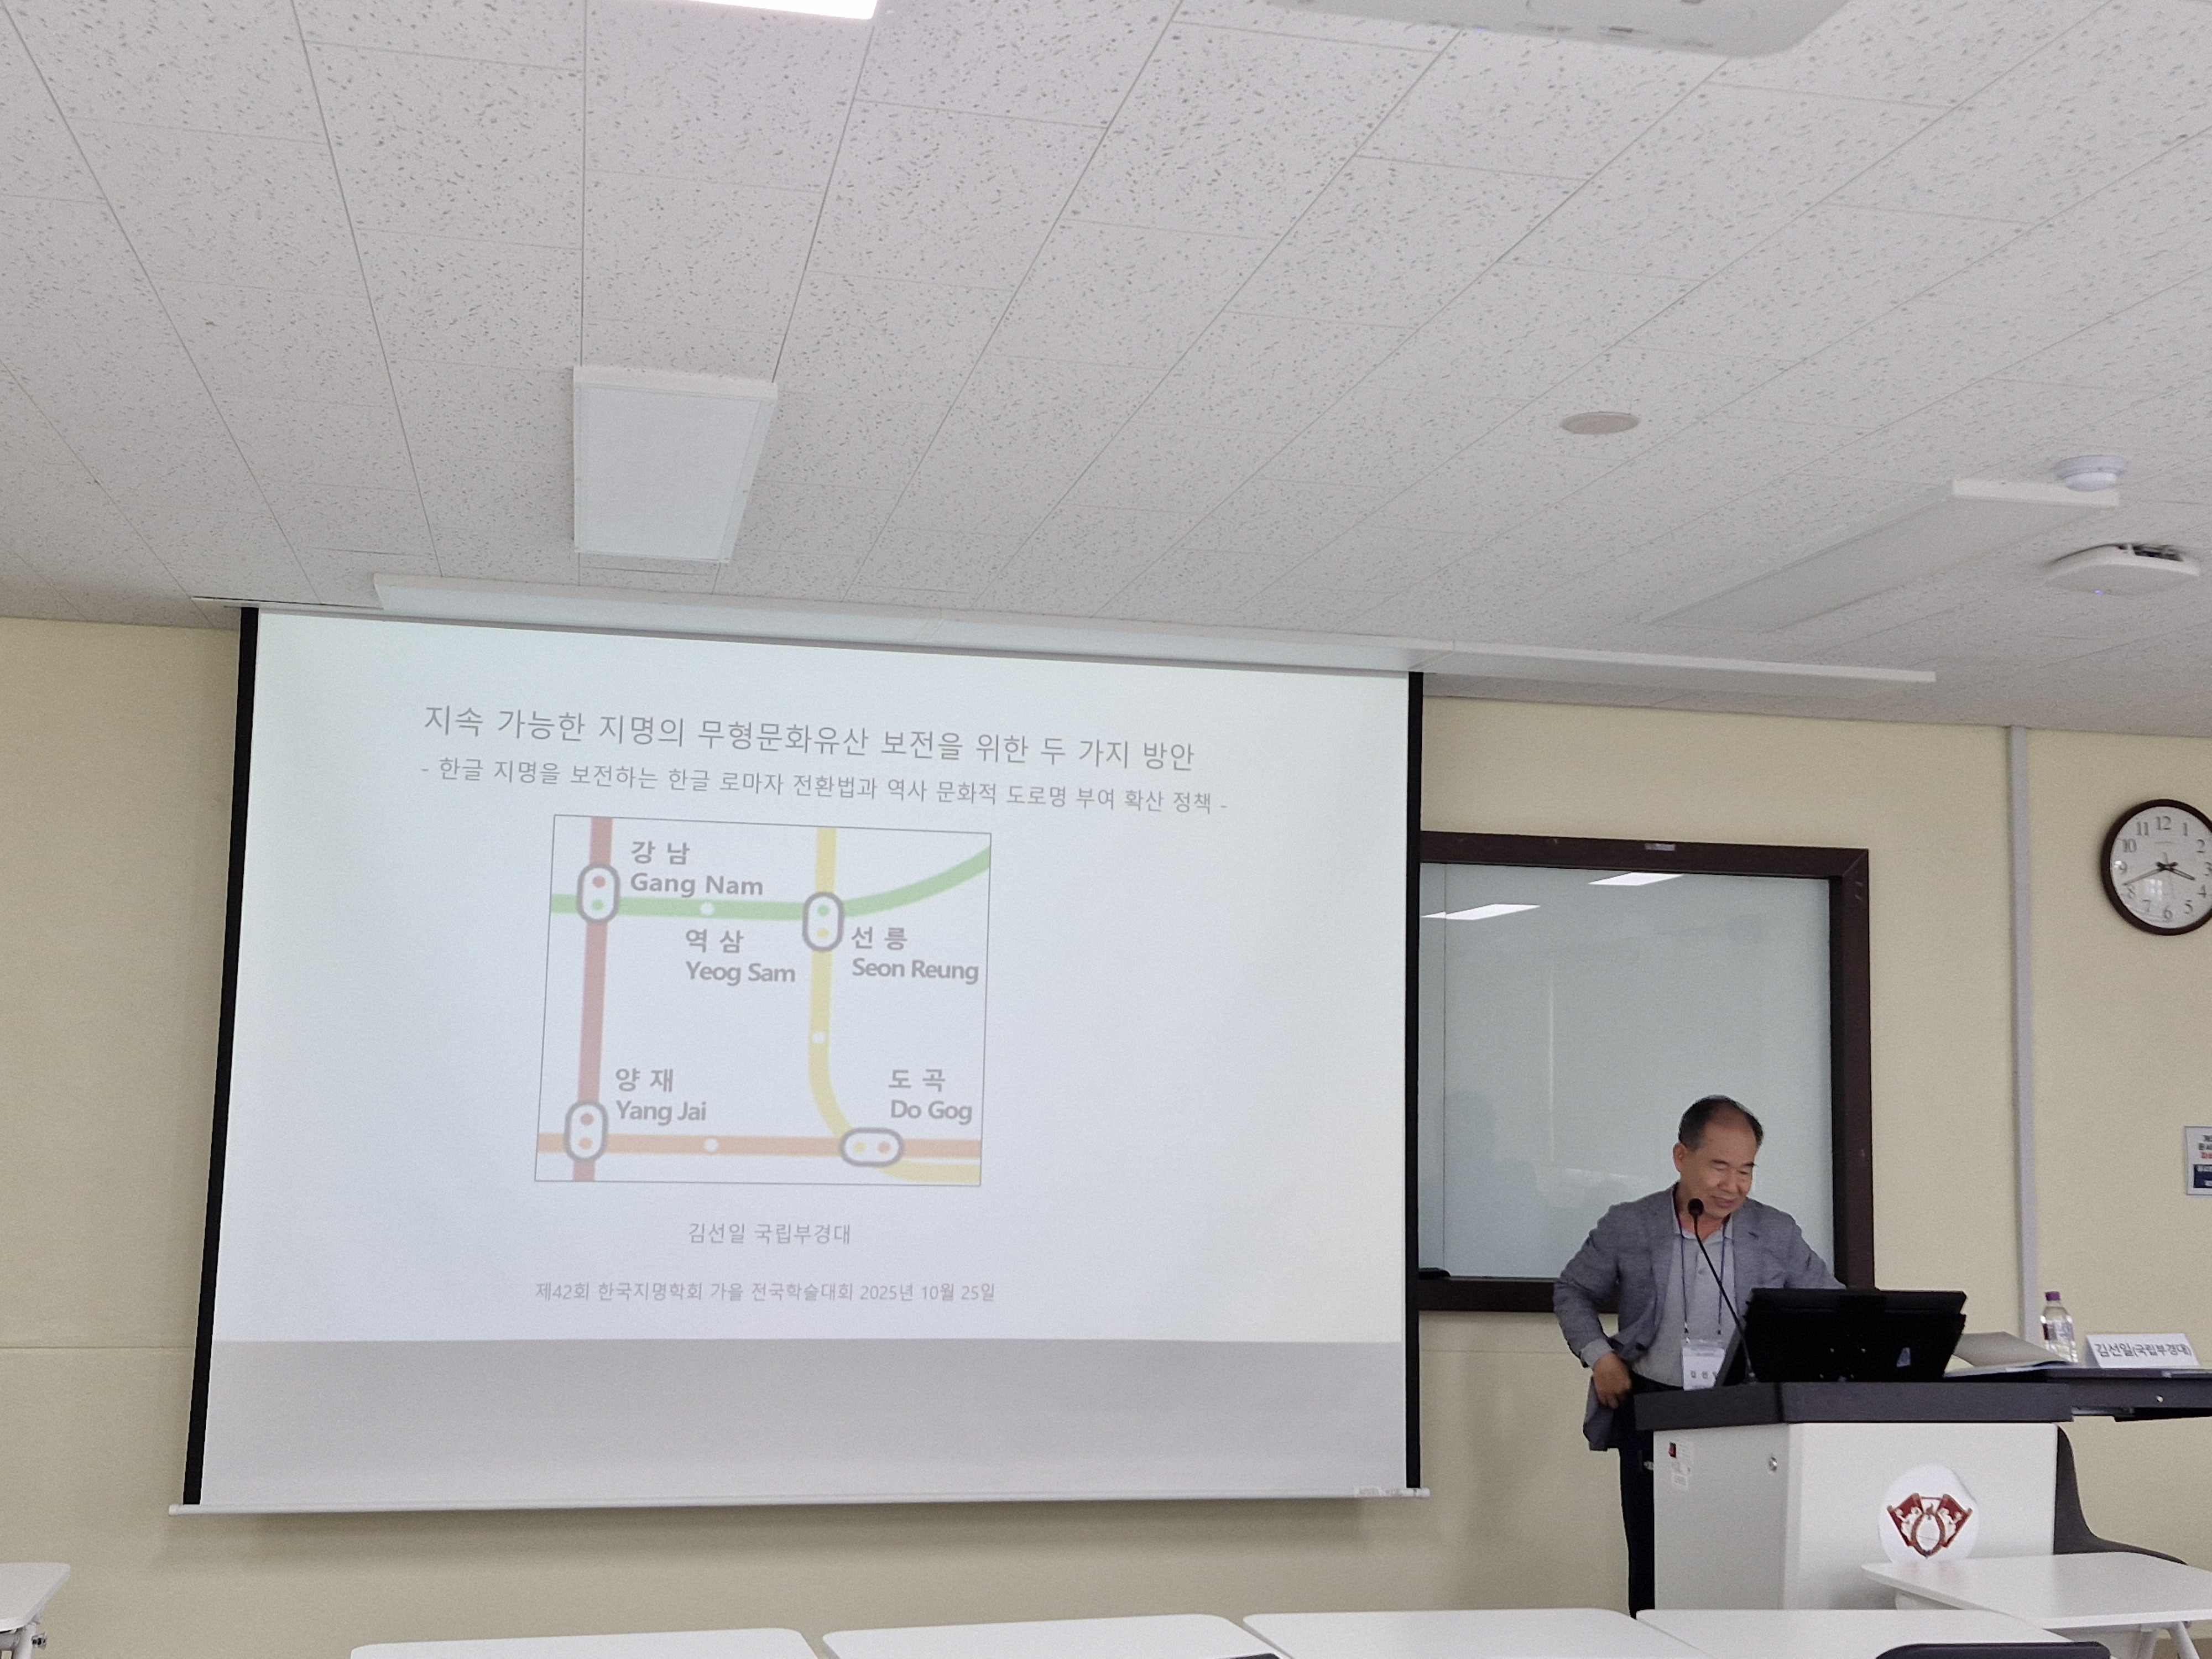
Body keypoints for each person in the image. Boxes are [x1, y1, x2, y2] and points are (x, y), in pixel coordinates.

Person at [1553, 1095, 1840, 1613]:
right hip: (1653, 1405)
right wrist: (1601, 1357)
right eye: (1720, 1167)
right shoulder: (1631, 1225)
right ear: (1681, 1157)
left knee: (1741, 1558)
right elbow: (1573, 1290)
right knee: (1654, 1556)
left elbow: (1831, 1305)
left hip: (1746, 1411)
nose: (1734, 1185)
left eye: (1747, 1171)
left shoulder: (1775, 1232)